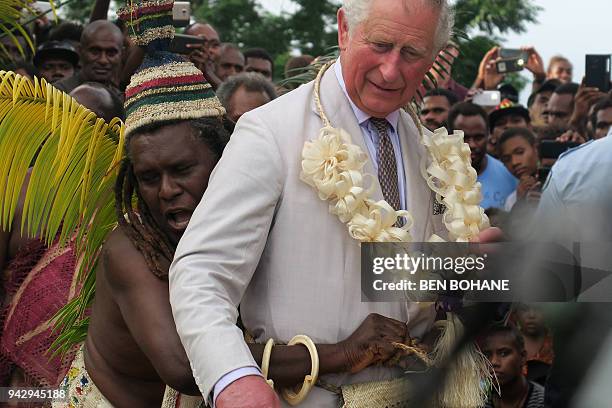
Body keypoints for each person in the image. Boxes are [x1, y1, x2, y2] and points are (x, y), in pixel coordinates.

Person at [169, 1, 499, 407]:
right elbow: (201, 274)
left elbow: (400, 275)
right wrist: (233, 378)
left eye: (412, 53)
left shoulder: (429, 146)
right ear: (344, 30)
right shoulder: (271, 133)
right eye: (380, 44)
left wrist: (478, 269)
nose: (391, 70)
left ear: (434, 56)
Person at [53, 3, 231, 405]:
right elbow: (185, 368)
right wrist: (335, 354)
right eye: (149, 178)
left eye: (182, 169)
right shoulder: (131, 247)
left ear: (223, 159)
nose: (166, 190)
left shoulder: (251, 224)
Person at [448, 102, 517, 210]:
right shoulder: (438, 178)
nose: (472, 145)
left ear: (488, 135)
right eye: (464, 138)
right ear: (450, 136)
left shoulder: (510, 175)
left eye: (478, 137)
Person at [482, 325, 545, 408]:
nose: (493, 362)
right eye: (487, 355)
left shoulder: (545, 401)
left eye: (503, 353)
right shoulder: (478, 401)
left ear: (522, 357)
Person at [54, 20, 123, 95]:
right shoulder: (56, 94)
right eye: (95, 52)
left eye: (111, 53)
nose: (103, 60)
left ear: (121, 54)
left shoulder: (123, 100)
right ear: (80, 52)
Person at [498, 128, 540, 212]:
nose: (514, 162)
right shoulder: (512, 200)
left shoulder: (557, 183)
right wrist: (520, 203)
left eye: (520, 152)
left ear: (535, 149)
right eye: (507, 159)